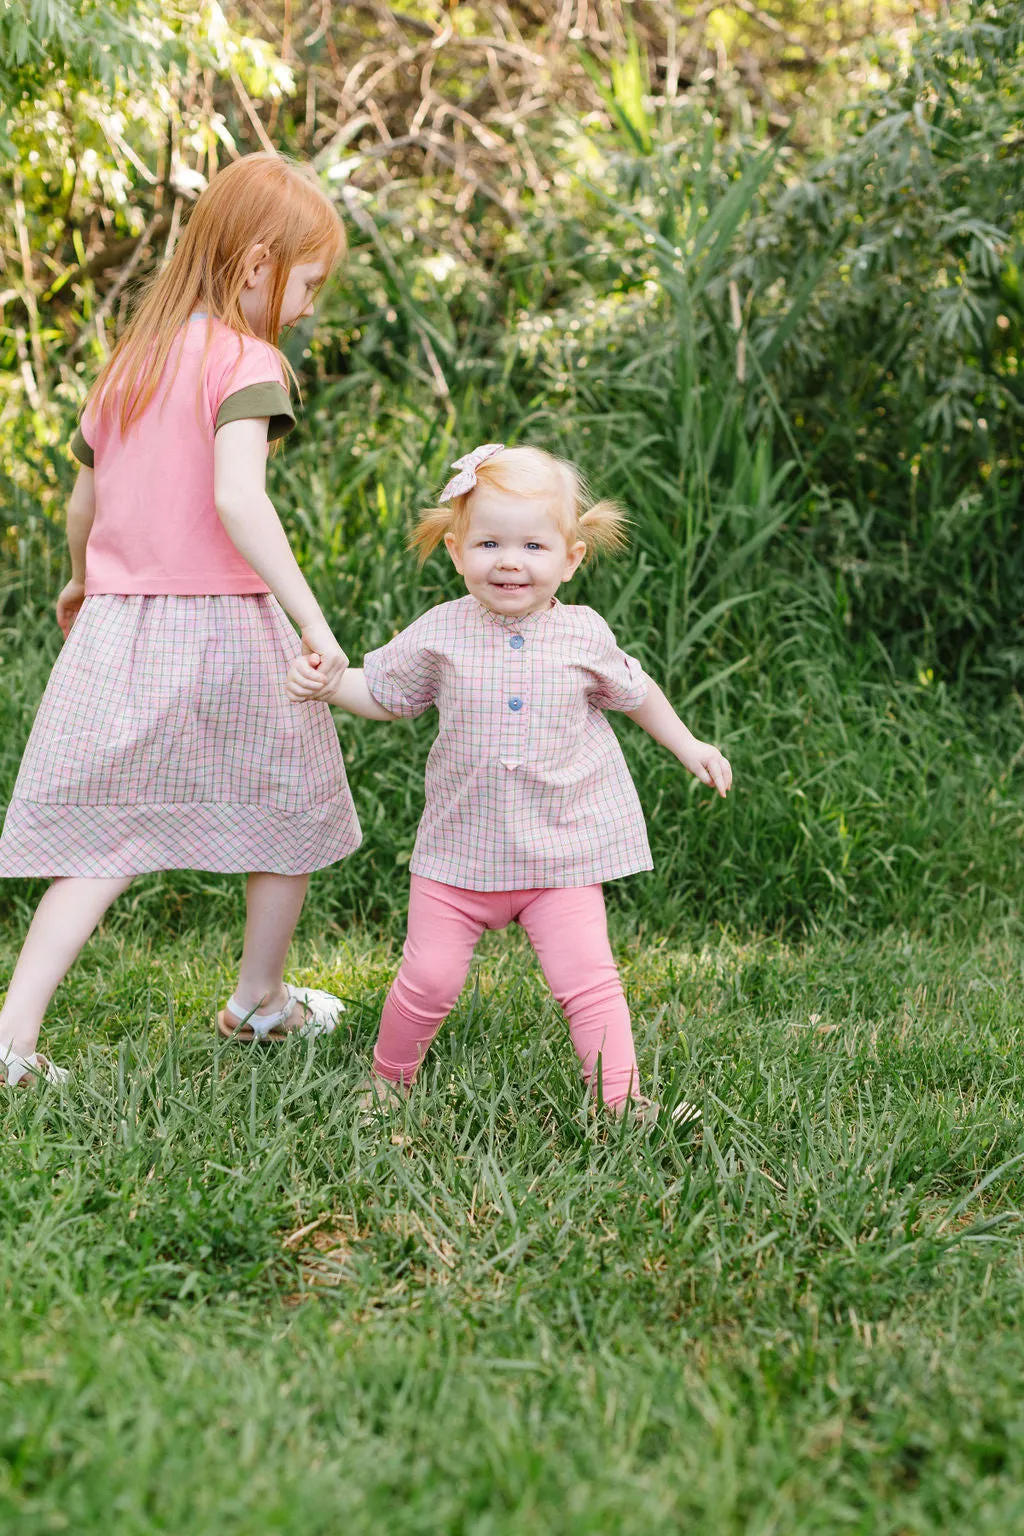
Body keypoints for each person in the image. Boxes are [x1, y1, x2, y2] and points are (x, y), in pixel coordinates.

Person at [0, 153, 360, 1088]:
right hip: (228, 625)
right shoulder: (248, 360)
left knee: (105, 835)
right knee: (288, 806)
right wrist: (314, 624)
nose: (312, 306)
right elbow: (241, 502)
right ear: (254, 265)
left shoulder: (131, 362)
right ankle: (258, 1002)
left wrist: (81, 582)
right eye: (309, 282)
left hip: (122, 627)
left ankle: (12, 1036)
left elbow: (82, 507)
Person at [287, 443, 732, 1121]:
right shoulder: (442, 631)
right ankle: (388, 1080)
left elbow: (637, 693)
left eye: (532, 545)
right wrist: (328, 685)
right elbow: (383, 693)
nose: (510, 561)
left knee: (588, 982)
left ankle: (621, 1101)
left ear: (570, 559)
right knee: (429, 979)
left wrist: (689, 744)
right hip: (460, 854)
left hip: (561, 854)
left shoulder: (584, 635)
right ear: (457, 550)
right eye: (489, 542)